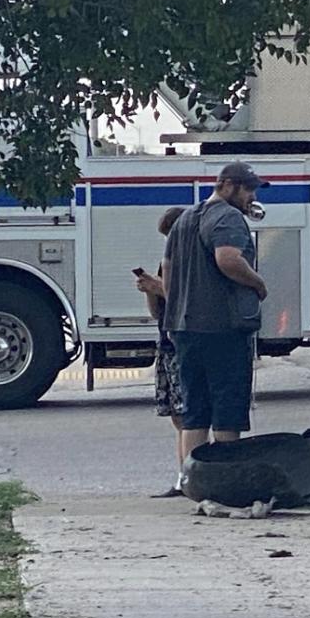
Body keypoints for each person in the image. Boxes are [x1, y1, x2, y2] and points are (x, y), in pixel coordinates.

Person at [162, 162, 268, 451]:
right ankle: (224, 481)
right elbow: (228, 259)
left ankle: (193, 480)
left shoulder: (184, 219)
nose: (252, 197)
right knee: (227, 413)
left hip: (186, 329)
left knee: (194, 414)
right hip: (222, 328)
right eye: (248, 190)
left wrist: (175, 312)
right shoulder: (228, 217)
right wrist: (258, 283)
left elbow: (167, 270)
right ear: (228, 185)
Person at [136, 206, 188, 498]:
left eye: (171, 235)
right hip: (166, 344)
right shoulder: (166, 262)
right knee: (175, 417)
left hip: (183, 344)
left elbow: (189, 300)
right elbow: (160, 312)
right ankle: (181, 477)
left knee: (187, 414)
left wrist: (161, 287)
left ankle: (191, 477)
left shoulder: (193, 261)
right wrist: (150, 291)